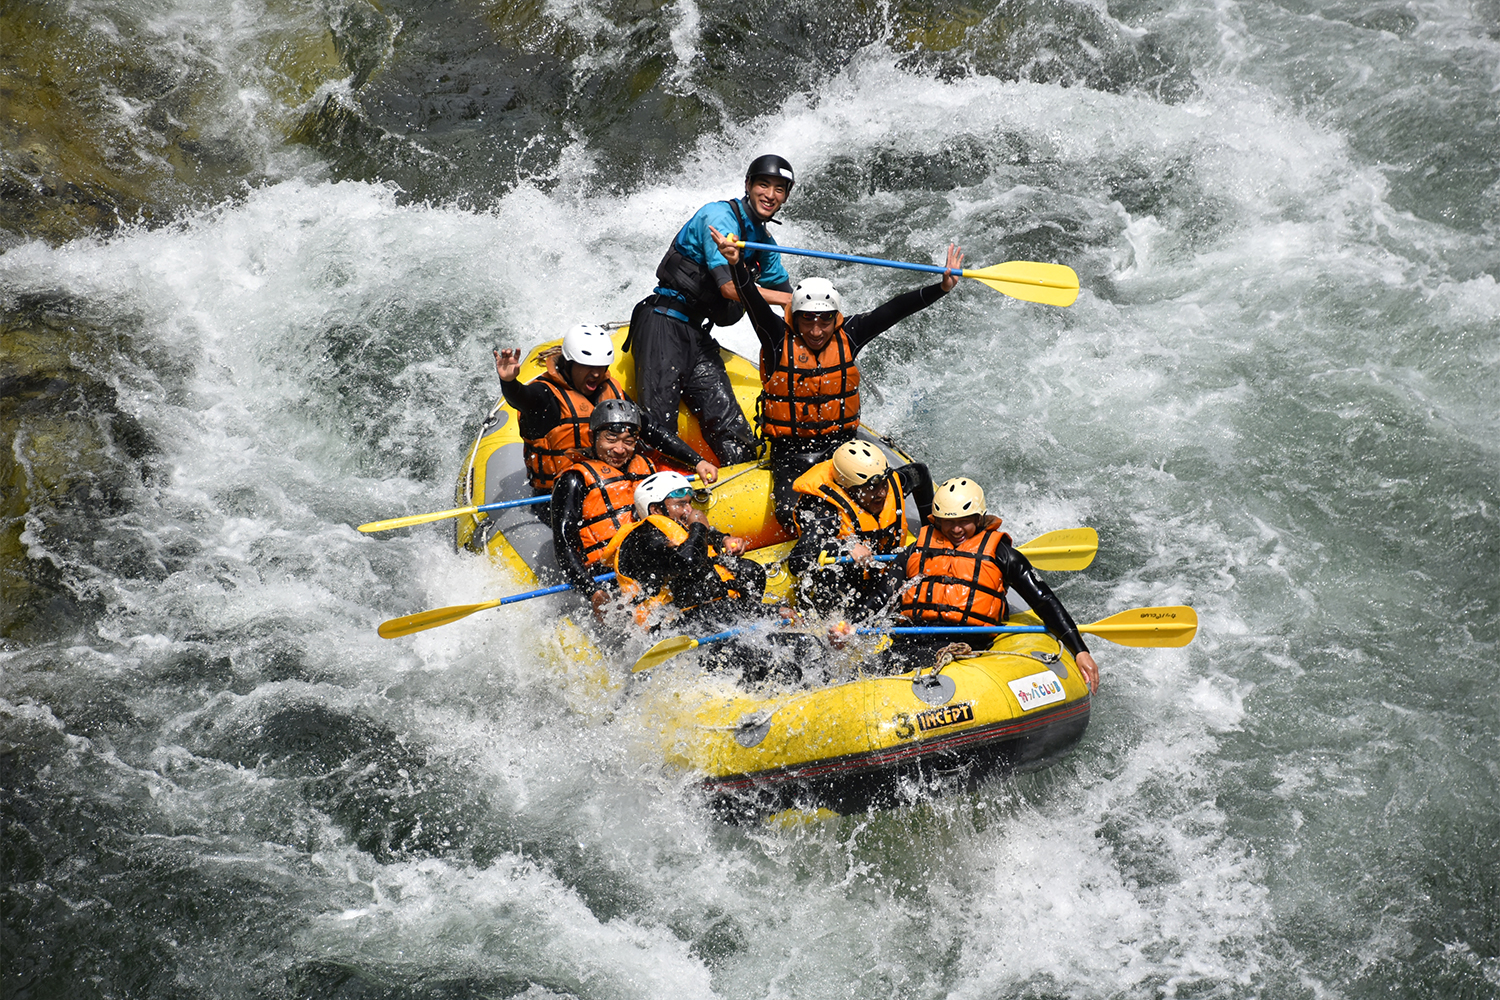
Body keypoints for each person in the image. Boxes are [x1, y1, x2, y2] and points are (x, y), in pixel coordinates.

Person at [708, 226, 962, 525]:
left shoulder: (850, 334)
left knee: (917, 473)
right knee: (789, 515)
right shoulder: (777, 337)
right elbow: (752, 300)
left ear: (835, 317)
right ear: (795, 316)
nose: (816, 331)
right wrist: (736, 265)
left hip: (844, 448)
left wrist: (941, 288)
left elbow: (894, 309)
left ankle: (932, 532)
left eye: (825, 320)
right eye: (808, 320)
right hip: (792, 455)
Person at [625, 155, 798, 467]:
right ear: (748, 185)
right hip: (664, 324)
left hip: (697, 336)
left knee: (734, 433)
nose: (770, 195)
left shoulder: (763, 242)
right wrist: (788, 302)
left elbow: (788, 295)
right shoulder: (718, 217)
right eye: (763, 184)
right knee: (658, 427)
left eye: (780, 189)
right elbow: (729, 289)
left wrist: (815, 312)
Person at [888, 477, 1100, 692]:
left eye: (964, 521)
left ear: (979, 518)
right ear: (937, 521)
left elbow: (1043, 599)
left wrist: (1080, 649)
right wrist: (854, 625)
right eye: (948, 522)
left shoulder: (1002, 554)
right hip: (912, 635)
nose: (956, 529)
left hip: (962, 640)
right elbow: (884, 592)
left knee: (911, 664)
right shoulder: (916, 550)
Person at [495, 324, 716, 511]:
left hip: (614, 484)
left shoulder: (610, 390)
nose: (596, 374)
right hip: (564, 498)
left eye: (601, 368)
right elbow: (521, 398)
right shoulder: (545, 396)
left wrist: (697, 461)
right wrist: (509, 383)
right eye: (588, 367)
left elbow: (650, 429)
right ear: (569, 364)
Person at [786, 440, 933, 621]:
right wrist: (845, 547)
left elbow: (921, 472)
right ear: (849, 489)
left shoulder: (892, 484)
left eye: (883, 484)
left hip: (887, 580)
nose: (881, 493)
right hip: (847, 589)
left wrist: (930, 531)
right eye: (871, 487)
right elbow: (798, 560)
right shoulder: (824, 509)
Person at [603, 471, 767, 631]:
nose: (689, 510)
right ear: (656, 510)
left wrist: (724, 539)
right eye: (680, 504)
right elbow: (687, 561)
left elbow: (704, 542)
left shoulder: (676, 529)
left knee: (749, 570)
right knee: (694, 585)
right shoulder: (642, 539)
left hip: (702, 614)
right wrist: (699, 526)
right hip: (663, 625)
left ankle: (753, 615)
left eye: (689, 503)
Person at [550, 400, 659, 618]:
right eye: (611, 439)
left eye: (629, 441)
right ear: (592, 438)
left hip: (652, 561)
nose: (620, 449)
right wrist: (592, 591)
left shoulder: (646, 467)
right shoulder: (574, 479)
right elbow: (564, 545)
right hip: (607, 574)